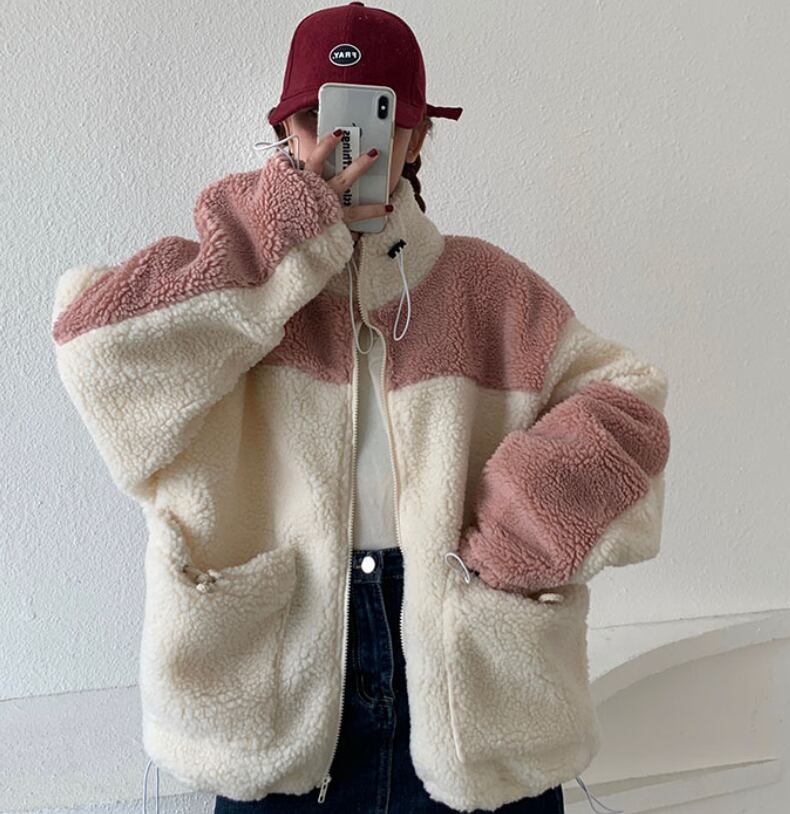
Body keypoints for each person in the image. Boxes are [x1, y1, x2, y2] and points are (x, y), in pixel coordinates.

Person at [51, 3, 670, 814]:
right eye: (319, 117)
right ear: (286, 133)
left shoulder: (488, 289)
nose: (348, 141)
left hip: (473, 680)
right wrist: (275, 237)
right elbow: (98, 357)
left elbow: (630, 408)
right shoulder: (224, 286)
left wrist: (522, 526)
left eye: (383, 117)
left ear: (417, 139)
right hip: (275, 685)